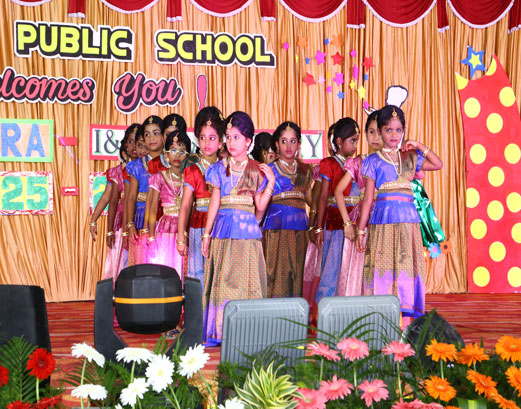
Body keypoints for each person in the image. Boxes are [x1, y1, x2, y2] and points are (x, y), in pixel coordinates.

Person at [356, 105, 443, 323]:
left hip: (408, 223)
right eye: (388, 130)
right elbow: (368, 199)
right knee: (382, 266)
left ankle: (405, 322)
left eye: (398, 130)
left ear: (403, 130)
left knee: (406, 266)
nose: (394, 135)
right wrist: (360, 231)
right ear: (379, 131)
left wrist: (419, 145)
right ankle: (381, 317)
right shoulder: (372, 161)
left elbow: (438, 164)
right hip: (383, 223)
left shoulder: (410, 158)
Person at [201, 111, 275, 345]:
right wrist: (206, 234)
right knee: (223, 281)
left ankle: (247, 331)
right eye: (228, 137)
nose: (231, 142)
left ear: (248, 141)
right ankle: (221, 330)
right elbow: (214, 203)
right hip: (223, 231)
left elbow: (260, 207)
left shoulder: (256, 169)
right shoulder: (218, 168)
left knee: (246, 283)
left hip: (247, 235)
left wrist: (271, 182)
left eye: (237, 137)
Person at [177, 107, 224, 292]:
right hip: (198, 226)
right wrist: (181, 236)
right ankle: (199, 309)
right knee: (199, 272)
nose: (206, 143)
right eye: (202, 138)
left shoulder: (226, 168)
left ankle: (217, 310)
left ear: (221, 142)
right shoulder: (192, 169)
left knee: (219, 272)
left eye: (212, 138)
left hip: (221, 224)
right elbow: (185, 205)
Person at [262, 122, 313, 298]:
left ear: (299, 144)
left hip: (300, 231)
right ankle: (275, 314)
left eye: (293, 141)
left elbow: (310, 200)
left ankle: (298, 314)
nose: (289, 146)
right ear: (277, 144)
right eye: (284, 141)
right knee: (277, 277)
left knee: (298, 275)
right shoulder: (269, 170)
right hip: (277, 230)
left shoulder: (305, 170)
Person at [335, 111, 382, 296]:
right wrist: (347, 223)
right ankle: (356, 305)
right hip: (361, 217)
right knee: (358, 264)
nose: (376, 137)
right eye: (371, 132)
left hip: (383, 215)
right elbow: (338, 191)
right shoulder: (358, 162)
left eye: (380, 132)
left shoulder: (394, 162)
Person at [314, 118, 360, 303]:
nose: (355, 146)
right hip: (335, 219)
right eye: (352, 141)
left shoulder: (357, 163)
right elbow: (323, 197)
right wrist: (318, 227)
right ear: (339, 142)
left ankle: (348, 305)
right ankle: (327, 305)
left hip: (354, 219)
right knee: (332, 264)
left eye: (357, 141)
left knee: (350, 266)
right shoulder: (329, 163)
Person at [146, 130, 191, 274]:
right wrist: (151, 236)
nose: (177, 155)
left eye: (182, 151)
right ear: (166, 155)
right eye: (173, 150)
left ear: (188, 155)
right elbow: (153, 208)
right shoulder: (159, 177)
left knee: (183, 267)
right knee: (165, 266)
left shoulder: (190, 178)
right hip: (165, 226)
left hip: (185, 228)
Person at [302, 123, 335, 307]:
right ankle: (318, 309)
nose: (333, 144)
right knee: (322, 265)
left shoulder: (355, 165)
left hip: (345, 222)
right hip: (326, 221)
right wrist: (314, 224)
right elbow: (315, 198)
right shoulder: (323, 166)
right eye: (331, 140)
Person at [125, 115, 163, 266]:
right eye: (147, 134)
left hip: (164, 217)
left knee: (164, 264)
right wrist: (130, 224)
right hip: (141, 218)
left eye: (156, 133)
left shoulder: (170, 162)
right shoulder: (137, 166)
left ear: (163, 135)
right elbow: (131, 197)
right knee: (141, 265)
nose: (151, 138)